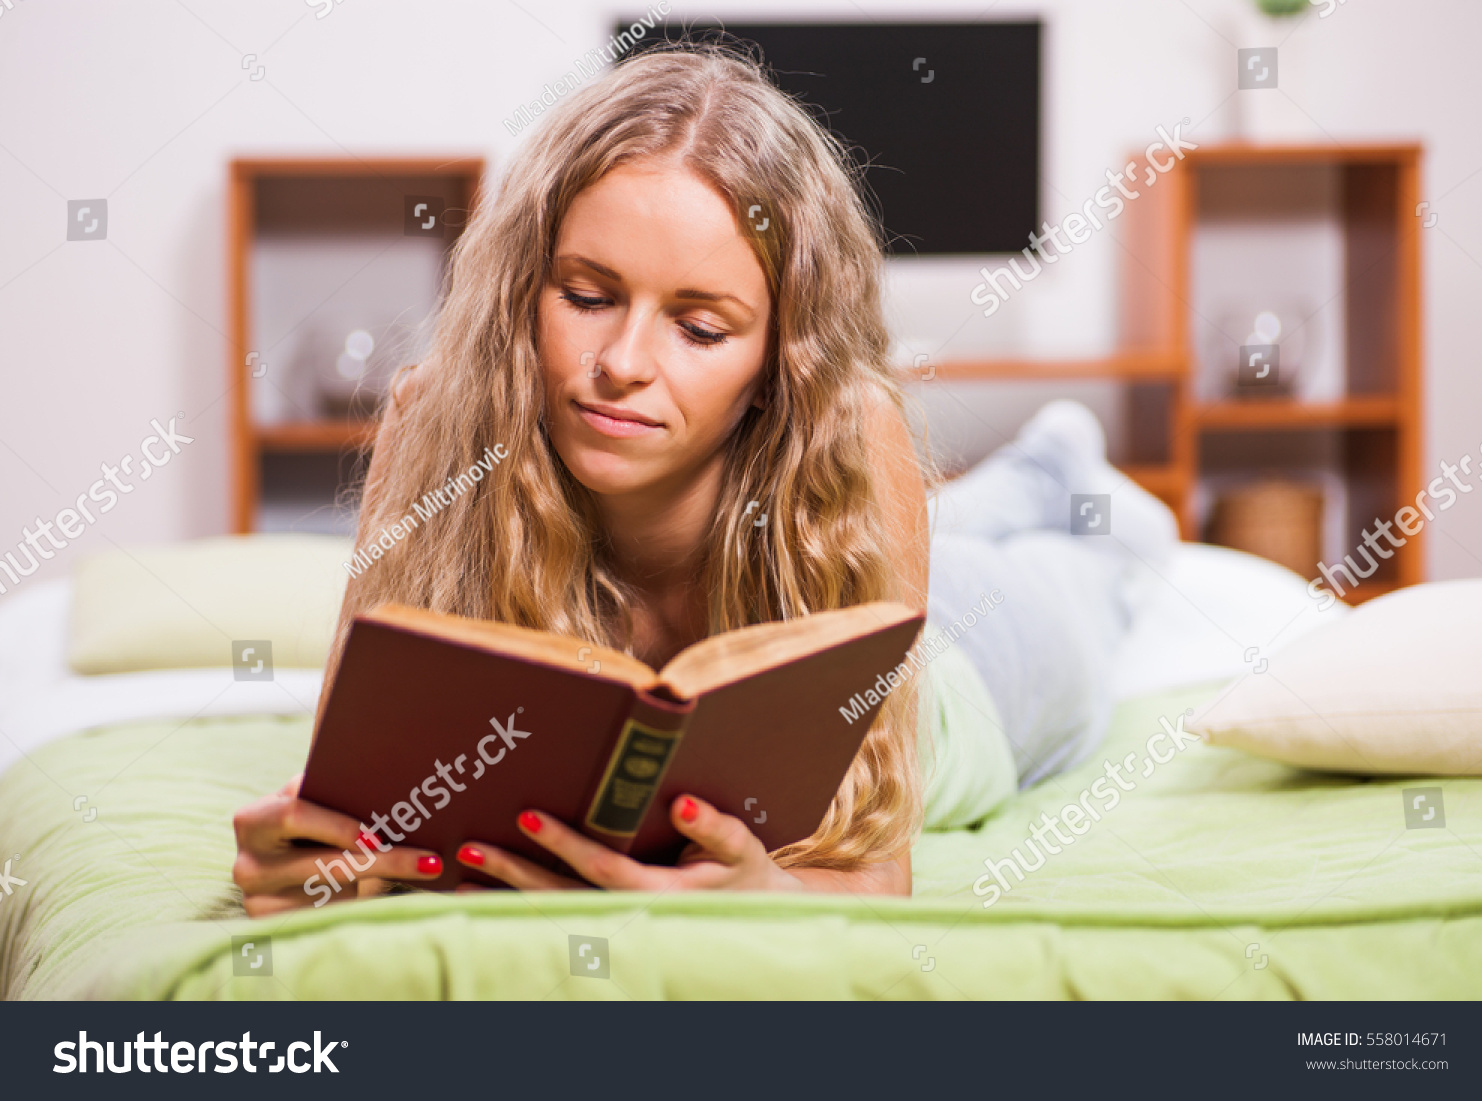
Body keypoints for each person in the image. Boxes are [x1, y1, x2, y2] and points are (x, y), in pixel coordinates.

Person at [231, 43, 1176, 918]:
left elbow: (882, 875)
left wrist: (772, 888)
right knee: (969, 519)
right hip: (900, 554)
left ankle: (1063, 465)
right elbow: (337, 809)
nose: (624, 362)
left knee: (1101, 563)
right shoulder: (436, 417)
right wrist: (305, 863)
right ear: (526, 289)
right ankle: (1022, 479)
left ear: (779, 360)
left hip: (974, 681)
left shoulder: (853, 430)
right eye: (588, 296)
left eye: (701, 328)